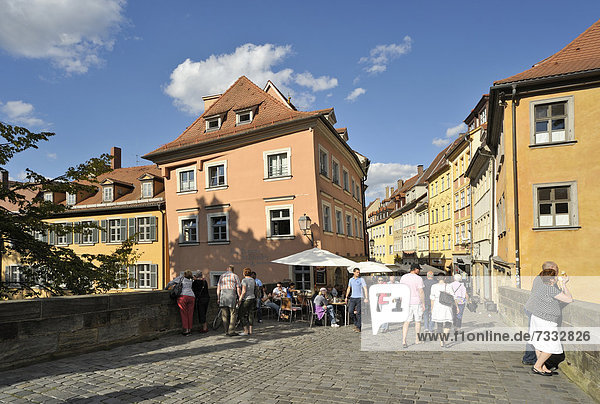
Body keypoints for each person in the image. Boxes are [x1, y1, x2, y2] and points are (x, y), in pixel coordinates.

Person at [524, 261, 573, 376]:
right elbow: (569, 299)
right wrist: (565, 284)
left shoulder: (542, 286)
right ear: (551, 279)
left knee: (539, 343)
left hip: (537, 317)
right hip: (546, 321)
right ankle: (537, 366)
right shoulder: (549, 289)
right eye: (555, 277)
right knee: (551, 346)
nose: (556, 278)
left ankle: (542, 366)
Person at [399, 263, 425, 347]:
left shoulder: (404, 277)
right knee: (418, 321)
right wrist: (423, 303)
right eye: (419, 269)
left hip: (406, 301)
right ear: (415, 269)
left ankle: (404, 341)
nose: (419, 271)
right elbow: (421, 291)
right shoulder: (418, 278)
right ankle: (417, 339)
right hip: (416, 301)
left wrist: (401, 299)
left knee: (406, 322)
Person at [430, 274, 456, 347]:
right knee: (448, 323)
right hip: (447, 306)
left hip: (437, 306)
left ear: (437, 278)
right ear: (445, 278)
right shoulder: (449, 286)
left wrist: (432, 308)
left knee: (439, 324)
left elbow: (432, 298)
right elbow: (453, 296)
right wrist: (456, 306)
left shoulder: (434, 286)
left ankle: (441, 341)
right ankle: (444, 339)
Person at [166, 270, 195, 336]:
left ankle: (186, 330)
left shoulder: (181, 278)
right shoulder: (191, 280)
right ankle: (190, 329)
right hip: (192, 297)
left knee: (184, 313)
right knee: (190, 313)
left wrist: (166, 288)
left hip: (183, 297)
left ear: (184, 274)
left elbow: (170, 283)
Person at [216, 265, 241, 337]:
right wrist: (239, 298)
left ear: (227, 269)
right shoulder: (235, 276)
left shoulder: (222, 276)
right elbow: (238, 288)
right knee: (233, 313)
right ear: (233, 270)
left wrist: (218, 298)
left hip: (223, 295)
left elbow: (218, 288)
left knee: (224, 314)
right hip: (231, 295)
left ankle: (226, 330)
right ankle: (231, 330)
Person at [345, 268, 368, 332]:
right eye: (357, 272)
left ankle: (358, 327)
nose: (358, 273)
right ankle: (356, 323)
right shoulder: (351, 280)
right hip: (352, 297)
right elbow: (349, 288)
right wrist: (346, 297)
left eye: (359, 272)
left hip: (360, 298)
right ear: (354, 273)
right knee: (350, 311)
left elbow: (365, 288)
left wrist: (366, 297)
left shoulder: (361, 279)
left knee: (359, 313)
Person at [238, 267, 257, 336]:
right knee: (250, 314)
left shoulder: (244, 280)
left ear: (244, 273)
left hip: (246, 299)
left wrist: (240, 299)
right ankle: (251, 330)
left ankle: (246, 330)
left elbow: (243, 291)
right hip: (252, 298)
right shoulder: (253, 280)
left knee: (241, 314)